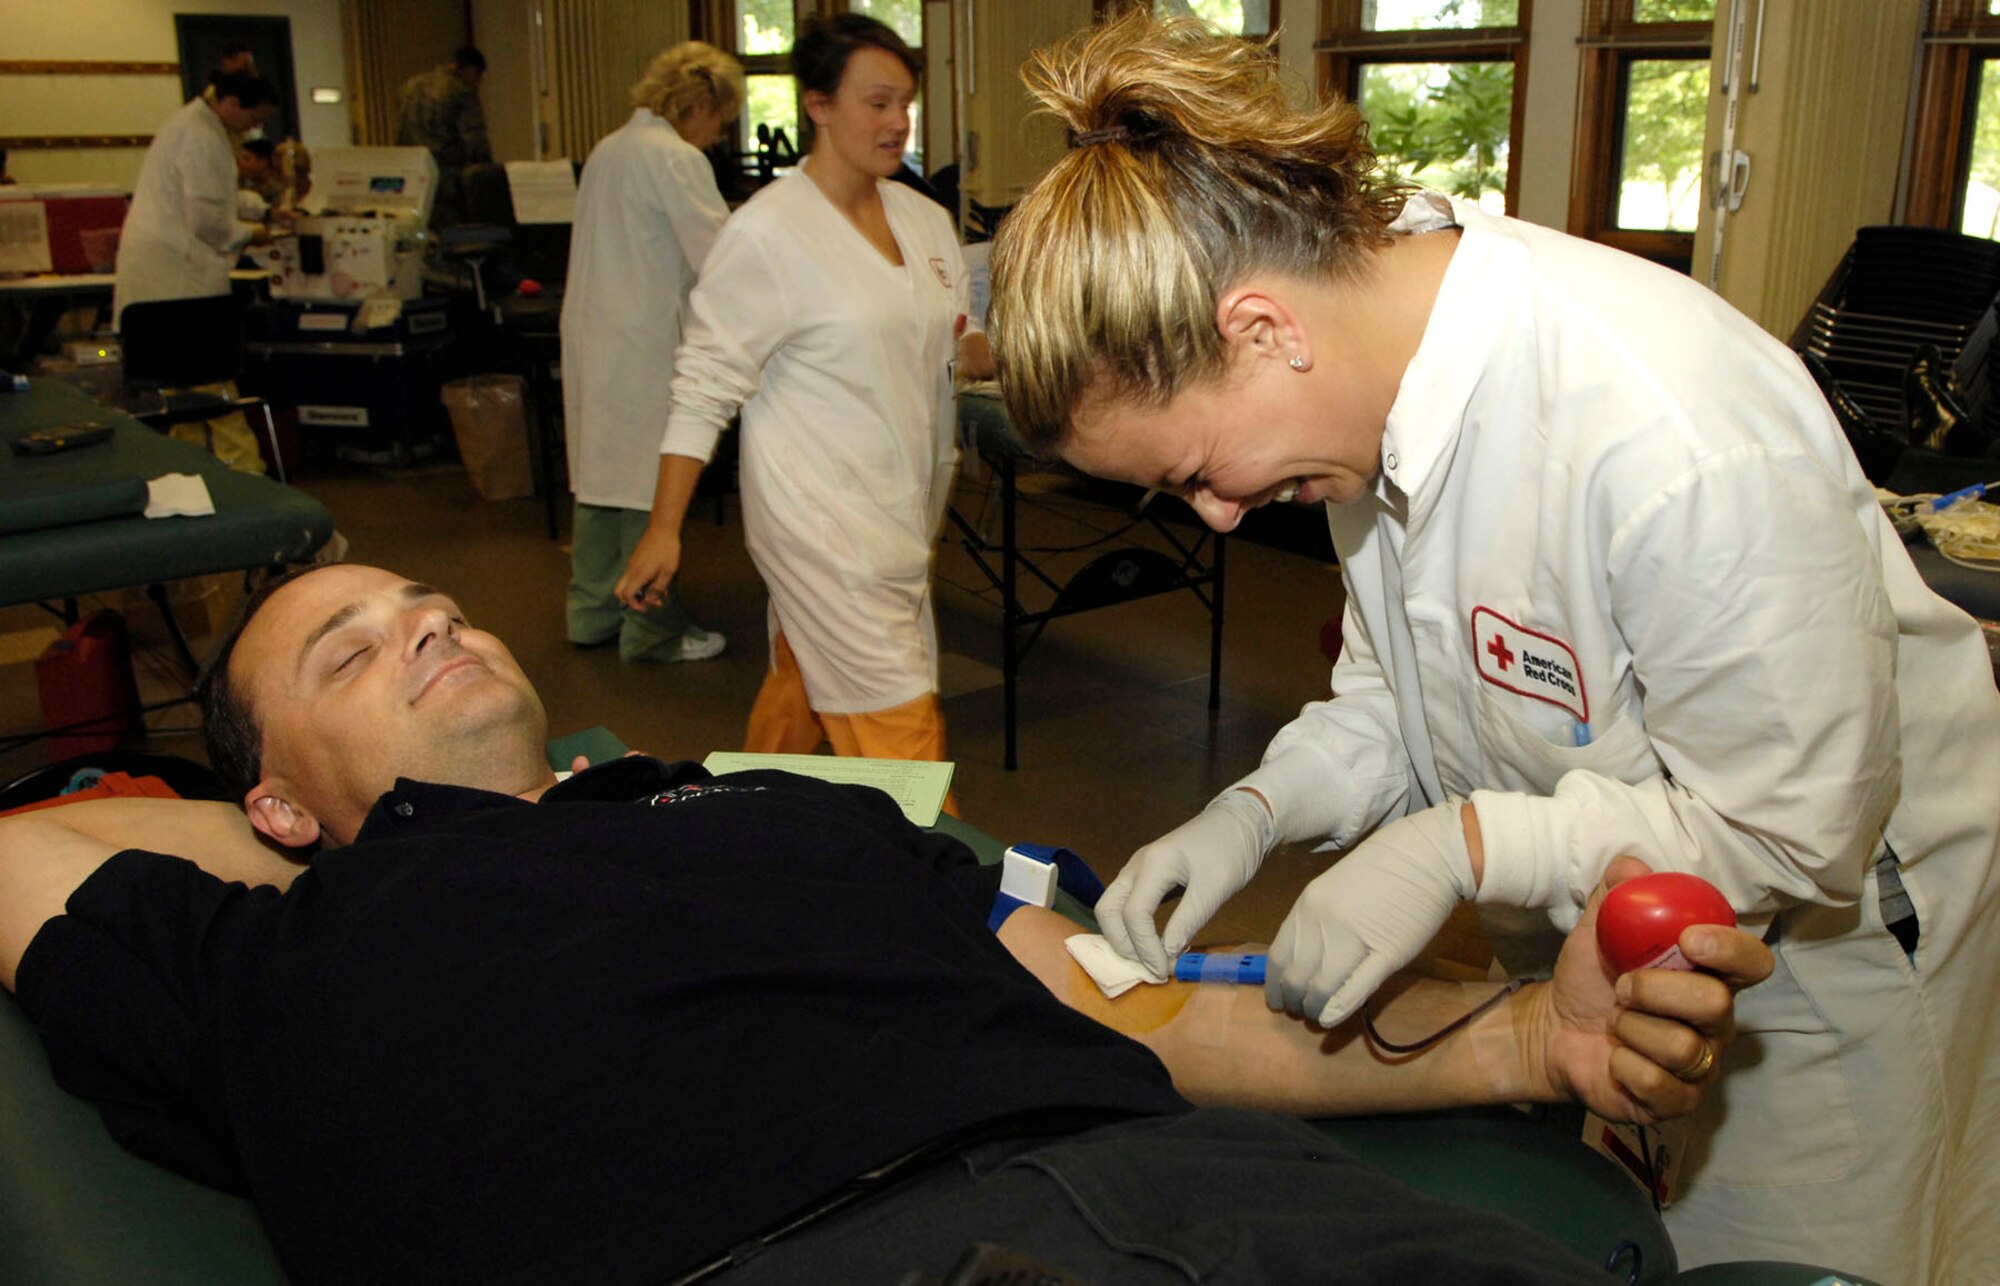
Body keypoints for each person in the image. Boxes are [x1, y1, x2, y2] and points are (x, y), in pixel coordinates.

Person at [983, 13, 2000, 1284]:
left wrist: (1466, 843)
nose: (1219, 514)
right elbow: (1396, 695)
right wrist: (1253, 810)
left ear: (1260, 328)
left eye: (1195, 472)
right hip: (1596, 951)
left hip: (1815, 972)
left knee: (1781, 1256)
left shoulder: (1670, 436)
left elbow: (1797, 832)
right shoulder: (1362, 396)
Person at [0, 562, 1771, 1283]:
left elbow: (1141, 1017)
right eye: (351, 651)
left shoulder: (791, 806)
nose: (430, 621)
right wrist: (322, 851)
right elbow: (25, 854)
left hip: (1152, 1200)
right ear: (275, 805)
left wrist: (1533, 1039)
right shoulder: (280, 954)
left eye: (427, 597)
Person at [615, 15, 995, 776]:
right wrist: (664, 529)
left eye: (906, 103)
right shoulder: (769, 235)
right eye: (878, 103)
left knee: (801, 689)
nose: (898, 122)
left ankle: (743, 830)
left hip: (899, 515)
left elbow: (953, 331)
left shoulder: (921, 218)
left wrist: (986, 347)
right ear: (818, 105)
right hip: (820, 524)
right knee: (902, 740)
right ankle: (939, 882)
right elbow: (703, 388)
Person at [560, 42, 739, 664]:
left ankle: (590, 613)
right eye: (721, 119)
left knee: (602, 481)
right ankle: (654, 631)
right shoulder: (675, 159)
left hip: (595, 333)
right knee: (644, 486)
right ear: (703, 105)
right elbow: (721, 257)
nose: (719, 135)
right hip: (641, 341)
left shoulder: (610, 149)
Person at [112, 72, 279, 326]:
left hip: (169, 259)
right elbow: (205, 219)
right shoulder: (200, 135)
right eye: (254, 118)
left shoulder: (197, 125)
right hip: (174, 267)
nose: (253, 128)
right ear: (232, 103)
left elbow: (217, 193)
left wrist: (266, 213)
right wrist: (250, 234)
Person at [395, 47, 492, 226]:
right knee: (448, 237)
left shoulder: (411, 85)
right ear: (472, 71)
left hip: (410, 175)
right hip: (446, 181)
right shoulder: (461, 91)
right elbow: (475, 141)